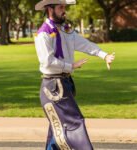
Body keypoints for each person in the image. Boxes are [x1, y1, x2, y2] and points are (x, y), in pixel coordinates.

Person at [34, 0, 115, 149]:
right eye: (60, 7)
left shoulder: (66, 30)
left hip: (64, 84)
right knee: (74, 123)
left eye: (64, 7)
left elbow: (84, 44)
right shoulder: (43, 33)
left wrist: (104, 55)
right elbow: (47, 62)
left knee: (57, 128)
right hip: (53, 87)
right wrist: (70, 66)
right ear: (50, 9)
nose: (64, 10)